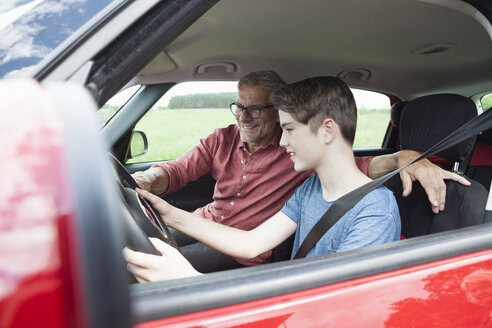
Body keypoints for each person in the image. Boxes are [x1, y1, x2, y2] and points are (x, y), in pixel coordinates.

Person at [131, 70, 469, 271]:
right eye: (239, 108)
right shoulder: (307, 191)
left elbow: (331, 306)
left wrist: (184, 282)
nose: (282, 142)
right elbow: (251, 243)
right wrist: (170, 214)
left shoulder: (375, 211)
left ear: (325, 131)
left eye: (289, 129)